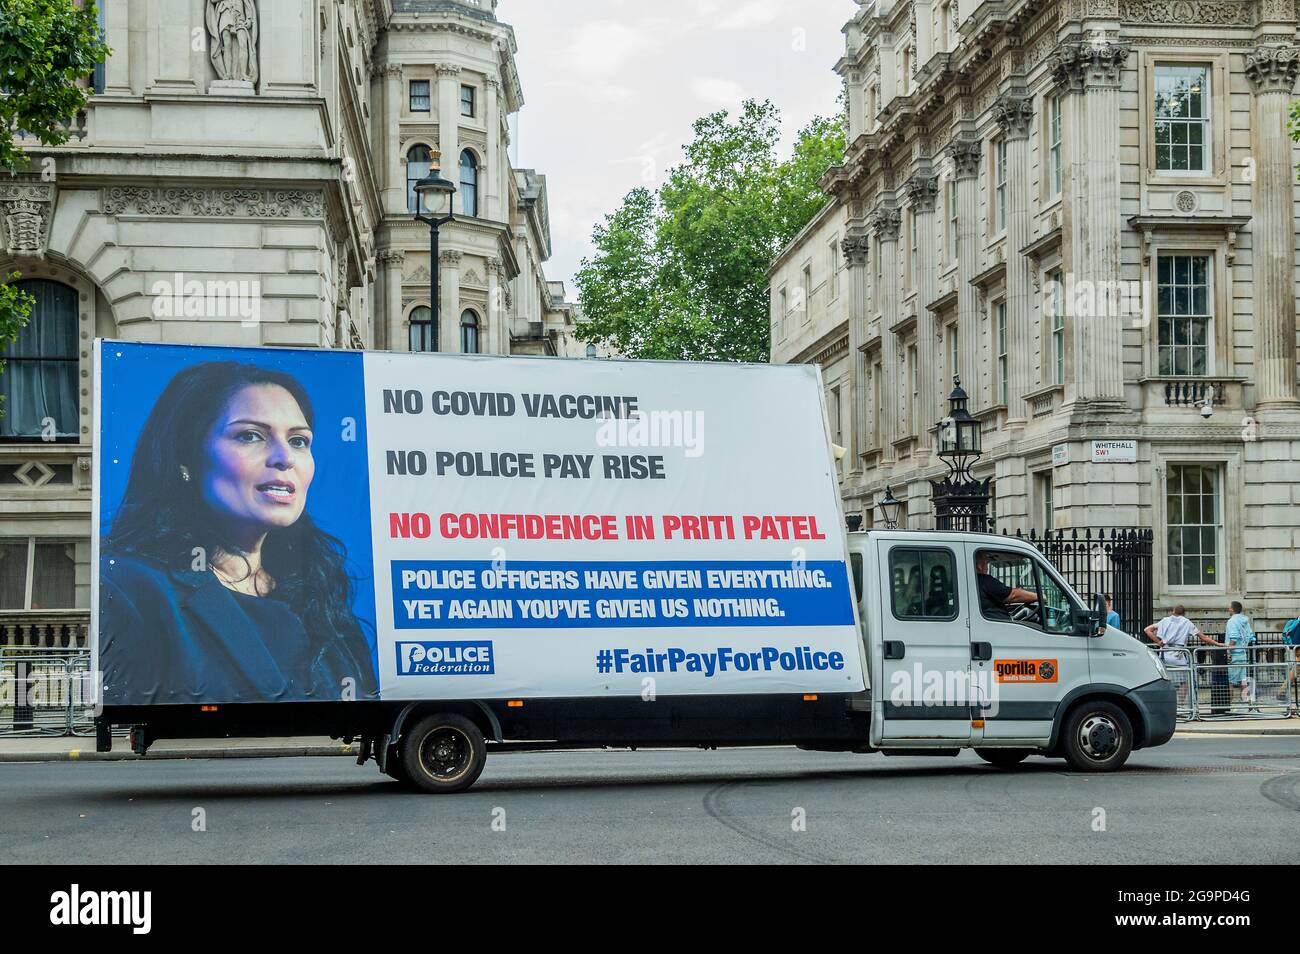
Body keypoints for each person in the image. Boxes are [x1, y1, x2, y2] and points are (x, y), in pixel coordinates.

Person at [100, 361, 377, 706]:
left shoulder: (320, 596)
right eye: (250, 435)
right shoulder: (129, 587)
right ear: (186, 457)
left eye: (298, 441)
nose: (284, 458)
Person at [1144, 605, 1225, 705]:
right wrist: (1218, 644)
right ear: (1183, 613)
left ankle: (1164, 704)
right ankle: (1180, 705)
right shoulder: (1187, 622)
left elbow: (1147, 630)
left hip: (1164, 653)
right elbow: (1203, 638)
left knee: (1165, 681)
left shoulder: (1164, 620)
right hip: (1178, 655)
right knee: (1185, 681)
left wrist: (1158, 642)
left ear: (1173, 611)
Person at [974, 550, 1039, 621]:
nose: (987, 567)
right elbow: (1014, 595)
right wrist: (1039, 596)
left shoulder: (976, 583)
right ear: (979, 565)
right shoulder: (983, 580)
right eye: (986, 562)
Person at [1223, 601, 1257, 707]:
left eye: (1229, 607)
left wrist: (1228, 652)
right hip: (1243, 653)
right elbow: (1251, 637)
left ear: (1233, 609)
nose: (1228, 609)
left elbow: (1233, 638)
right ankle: (1245, 702)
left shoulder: (1232, 621)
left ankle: (1229, 704)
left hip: (1234, 653)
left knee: (1230, 682)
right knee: (1243, 680)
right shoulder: (1245, 620)